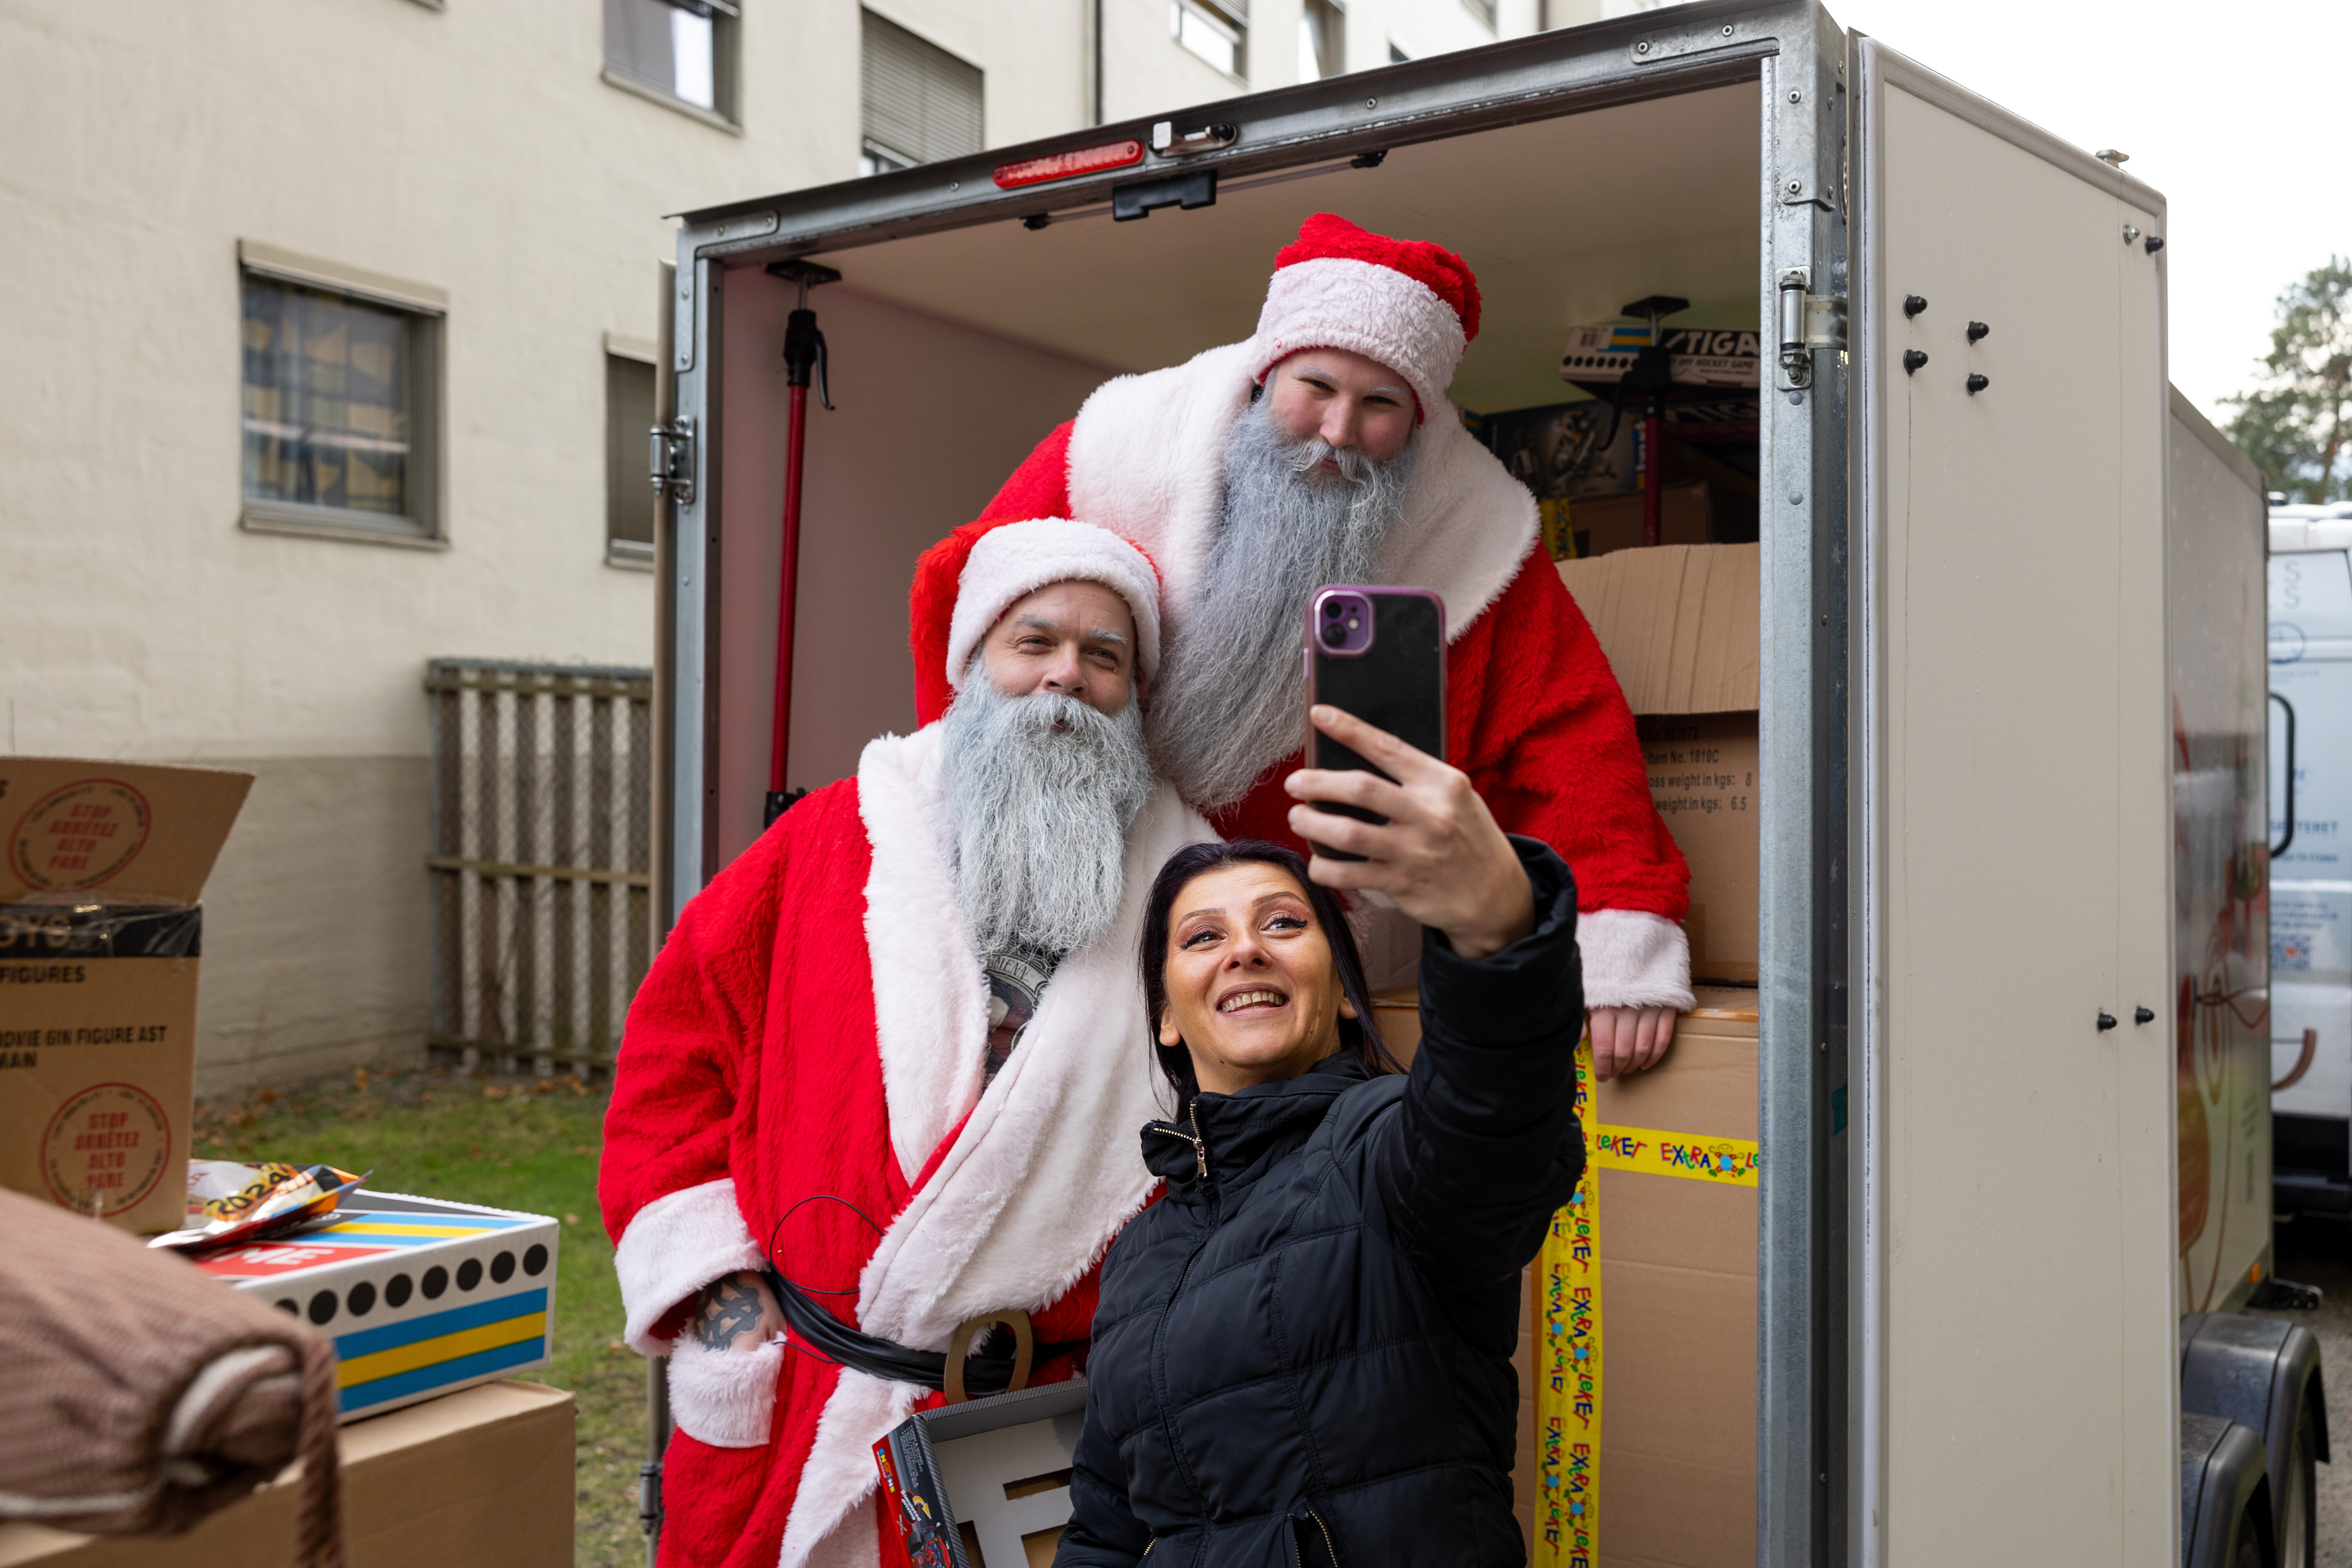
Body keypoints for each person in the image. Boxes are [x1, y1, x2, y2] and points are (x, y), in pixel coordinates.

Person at [906, 211, 1690, 1081]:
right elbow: (967, 610)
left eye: (1381, 404)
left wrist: (1621, 927)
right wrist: (965, 811)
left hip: (1294, 954)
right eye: (1316, 386)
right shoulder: (1115, 447)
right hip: (1075, 881)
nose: (1339, 430)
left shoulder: (1476, 532)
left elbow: (1569, 731)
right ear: (1265, 369)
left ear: (1421, 421)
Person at [599, 520, 1216, 1568]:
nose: (1067, 675)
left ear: (1134, 696)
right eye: (1036, 641)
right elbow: (675, 1053)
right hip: (801, 1397)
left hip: (1062, 1433)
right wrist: (721, 1296)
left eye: (1105, 655)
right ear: (973, 664)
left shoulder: (1197, 892)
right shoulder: (829, 838)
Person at [1056, 703, 1585, 1566]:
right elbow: (1104, 1529)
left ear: (1343, 991)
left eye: (1284, 923)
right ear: (1165, 1016)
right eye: (1202, 937)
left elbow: (1491, 1126)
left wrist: (1497, 937)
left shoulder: (1381, 1144)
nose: (1245, 951)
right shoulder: (1140, 1255)